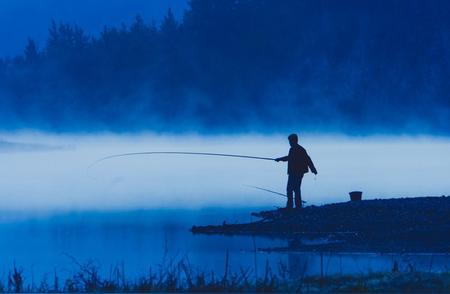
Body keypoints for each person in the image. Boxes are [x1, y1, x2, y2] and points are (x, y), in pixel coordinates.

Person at [275, 133, 317, 209]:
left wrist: (313, 169)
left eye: (290, 141)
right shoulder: (297, 149)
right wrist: (279, 159)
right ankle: (297, 206)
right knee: (295, 189)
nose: (289, 143)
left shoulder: (298, 149)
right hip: (296, 172)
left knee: (291, 189)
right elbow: (289, 158)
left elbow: (307, 159)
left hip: (295, 172)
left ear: (294, 141)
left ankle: (291, 206)